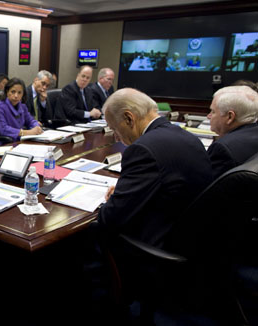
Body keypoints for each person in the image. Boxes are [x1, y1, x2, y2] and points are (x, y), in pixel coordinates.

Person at [97, 88, 214, 248]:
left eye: (115, 129)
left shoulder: (143, 149)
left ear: (129, 118)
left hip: (159, 244)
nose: (116, 137)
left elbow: (111, 218)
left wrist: (118, 198)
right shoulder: (186, 135)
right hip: (194, 237)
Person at [206, 85, 258, 179]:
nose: (208, 116)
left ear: (230, 117)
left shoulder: (222, 149)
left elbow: (205, 186)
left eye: (213, 111)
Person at [0, 77, 42, 141]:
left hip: (21, 141)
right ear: (7, 91)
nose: (16, 96)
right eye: (13, 92)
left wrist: (36, 127)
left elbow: (30, 120)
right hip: (5, 143)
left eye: (19, 92)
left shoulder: (22, 106)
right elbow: (3, 130)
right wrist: (27, 132)